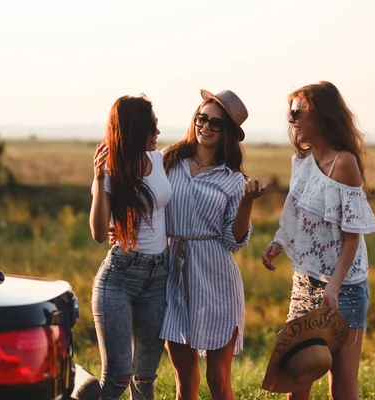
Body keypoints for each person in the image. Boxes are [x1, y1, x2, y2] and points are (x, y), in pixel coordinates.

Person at [262, 81, 375, 400]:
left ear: (321, 115)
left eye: (298, 112)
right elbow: (295, 214)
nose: (291, 119)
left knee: (341, 387)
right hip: (305, 283)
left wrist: (334, 287)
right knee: (297, 380)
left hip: (347, 289)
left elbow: (352, 238)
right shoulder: (301, 162)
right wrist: (279, 244)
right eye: (290, 112)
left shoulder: (345, 163)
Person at [160, 89, 267, 400]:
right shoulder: (168, 159)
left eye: (215, 123)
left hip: (216, 279)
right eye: (201, 118)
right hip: (173, 276)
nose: (204, 126)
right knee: (184, 383)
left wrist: (247, 204)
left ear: (228, 134)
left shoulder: (234, 180)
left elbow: (233, 241)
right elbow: (144, 200)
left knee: (218, 381)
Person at [88, 94, 172, 400]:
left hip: (158, 276)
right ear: (137, 130)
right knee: (117, 378)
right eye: (153, 127)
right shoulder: (110, 170)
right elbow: (98, 233)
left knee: (145, 378)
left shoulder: (159, 159)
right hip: (120, 277)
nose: (158, 133)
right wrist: (98, 179)